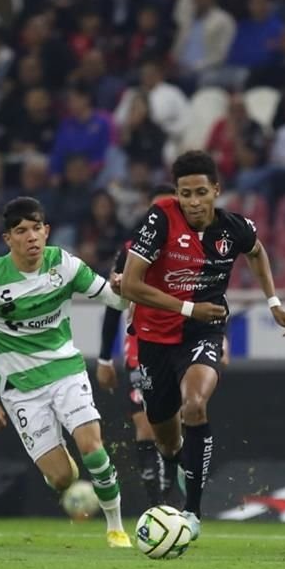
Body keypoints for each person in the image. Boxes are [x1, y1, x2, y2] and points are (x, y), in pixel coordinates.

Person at [120, 150, 285, 539]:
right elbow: (133, 284)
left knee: (196, 403)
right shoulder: (160, 218)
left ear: (216, 190)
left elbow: (257, 252)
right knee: (166, 440)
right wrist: (189, 307)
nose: (193, 202)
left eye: (201, 192)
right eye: (185, 193)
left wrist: (274, 303)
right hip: (154, 339)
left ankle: (193, 512)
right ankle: (176, 462)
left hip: (204, 331)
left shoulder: (234, 228)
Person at [0, 197, 134, 548]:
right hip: (20, 388)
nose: (31, 237)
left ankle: (115, 527)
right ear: (8, 238)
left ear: (47, 230)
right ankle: (61, 471)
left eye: (36, 228)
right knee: (61, 479)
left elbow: (114, 300)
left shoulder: (63, 265)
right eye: (21, 231)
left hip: (65, 371)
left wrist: (123, 285)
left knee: (92, 446)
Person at [97, 184, 177, 507]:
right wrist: (104, 358)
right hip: (140, 350)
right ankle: (157, 508)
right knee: (145, 426)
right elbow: (113, 304)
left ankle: (172, 502)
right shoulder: (130, 251)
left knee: (174, 431)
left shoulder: (193, 251)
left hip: (181, 350)